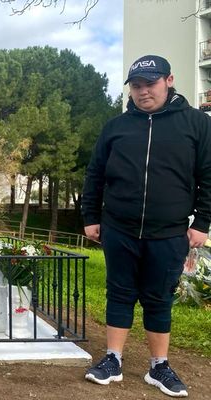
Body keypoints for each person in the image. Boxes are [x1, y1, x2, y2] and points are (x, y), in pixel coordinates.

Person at [82, 54, 211, 398]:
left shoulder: (197, 124)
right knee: (119, 293)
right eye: (137, 86)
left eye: (150, 84)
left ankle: (159, 366)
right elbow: (95, 174)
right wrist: (90, 217)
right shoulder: (116, 127)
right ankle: (112, 360)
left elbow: (208, 176)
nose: (143, 92)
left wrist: (202, 222)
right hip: (119, 228)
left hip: (168, 232)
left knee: (158, 299)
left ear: (169, 81)